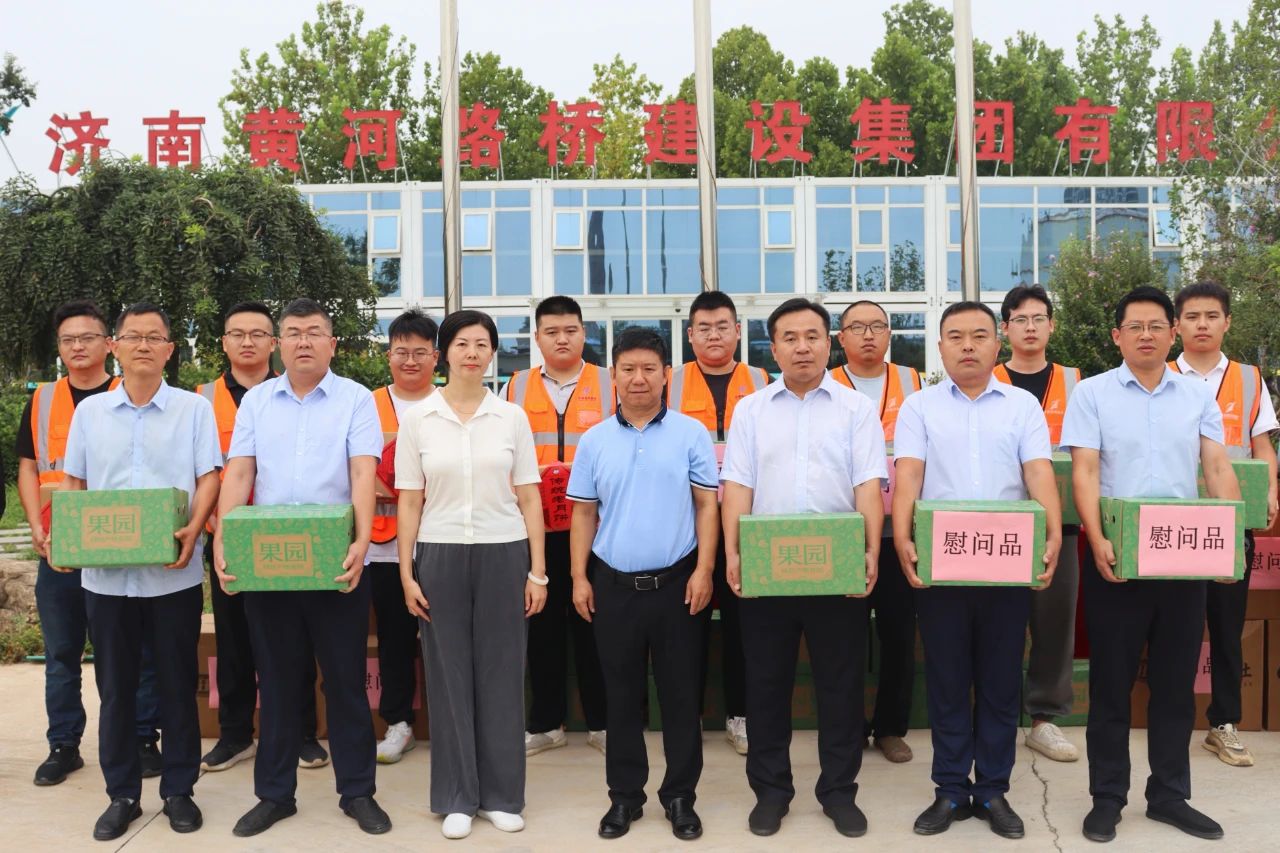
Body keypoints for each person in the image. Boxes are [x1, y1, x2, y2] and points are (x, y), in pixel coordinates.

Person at [1061, 285, 1241, 843]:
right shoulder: (1092, 393)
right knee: (1112, 685)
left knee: (1175, 686)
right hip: (1116, 560)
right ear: (1117, 336)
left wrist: (1230, 540)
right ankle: (1107, 797)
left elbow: (1216, 468)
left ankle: (1169, 795)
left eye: (1157, 326)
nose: (1146, 335)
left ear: (1173, 333)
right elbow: (1085, 471)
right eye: (1135, 326)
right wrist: (1095, 537)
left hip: (1182, 559)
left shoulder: (1196, 395)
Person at [212, 298, 390, 838]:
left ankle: (357, 792)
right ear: (279, 344)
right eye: (293, 333)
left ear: (332, 344)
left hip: (336, 563)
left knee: (345, 682)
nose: (303, 341)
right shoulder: (257, 402)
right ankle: (274, 795)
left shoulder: (356, 399)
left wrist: (362, 541)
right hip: (270, 564)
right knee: (278, 682)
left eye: (314, 332)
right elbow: (240, 473)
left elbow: (362, 474)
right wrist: (224, 538)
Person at [893, 300, 1062, 840]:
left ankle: (991, 789)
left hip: (1005, 566)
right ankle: (949, 788)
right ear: (940, 346)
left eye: (979, 335)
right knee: (947, 680)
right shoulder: (919, 407)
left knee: (998, 681)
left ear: (997, 343)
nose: (968, 346)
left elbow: (1038, 473)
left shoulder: (1021, 406)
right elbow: (908, 475)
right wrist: (903, 536)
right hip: (942, 566)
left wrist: (1053, 531)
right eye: (956, 336)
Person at [721, 298, 887, 839]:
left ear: (828, 342)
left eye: (812, 336)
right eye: (789, 338)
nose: (802, 347)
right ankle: (771, 792)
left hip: (835, 566)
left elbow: (868, 484)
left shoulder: (855, 409)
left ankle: (839, 792)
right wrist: (734, 553)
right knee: (766, 685)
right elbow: (737, 485)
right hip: (769, 567)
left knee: (841, 686)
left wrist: (870, 551)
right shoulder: (751, 410)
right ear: (773, 349)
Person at [57, 302, 222, 840]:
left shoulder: (192, 410)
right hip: (105, 579)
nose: (144, 345)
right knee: (116, 690)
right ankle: (122, 794)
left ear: (170, 350)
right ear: (115, 347)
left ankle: (179, 790)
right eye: (133, 336)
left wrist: (193, 529)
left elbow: (209, 476)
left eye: (155, 337)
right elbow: (75, 483)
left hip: (172, 574)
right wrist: (70, 537)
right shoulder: (91, 414)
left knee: (176, 686)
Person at [396, 309, 548, 840]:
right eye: (462, 343)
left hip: (503, 552)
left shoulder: (511, 417)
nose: (472, 353)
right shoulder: (419, 419)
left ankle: (502, 795)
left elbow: (529, 497)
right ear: (444, 353)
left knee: (502, 674)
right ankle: (458, 796)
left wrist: (538, 572)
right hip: (439, 553)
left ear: (492, 353)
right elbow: (409, 501)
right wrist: (407, 573)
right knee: (448, 676)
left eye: (482, 344)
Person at [569, 328, 720, 841]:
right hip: (612, 585)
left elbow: (707, 506)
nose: (639, 378)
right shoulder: (594, 440)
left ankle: (680, 797)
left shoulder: (691, 433)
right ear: (613, 375)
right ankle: (625, 798)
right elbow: (583, 514)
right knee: (621, 697)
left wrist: (704, 570)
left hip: (678, 584)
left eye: (649, 369)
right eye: (628, 369)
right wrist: (578, 577)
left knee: (681, 696)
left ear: (666, 375)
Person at [15, 300, 164, 787]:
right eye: (67, 340)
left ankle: (141, 738)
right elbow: (29, 468)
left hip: (123, 546)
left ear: (109, 343)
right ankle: (64, 744)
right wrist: (38, 527)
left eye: (87, 337)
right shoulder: (42, 400)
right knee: (62, 653)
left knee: (134, 650)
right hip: (59, 548)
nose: (77, 347)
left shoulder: (134, 394)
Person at [197, 302, 324, 774]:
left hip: (286, 536)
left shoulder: (298, 392)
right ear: (224, 342)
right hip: (229, 536)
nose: (247, 342)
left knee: (295, 640)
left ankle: (302, 733)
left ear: (274, 342)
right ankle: (235, 735)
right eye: (237, 333)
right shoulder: (201, 400)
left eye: (258, 334)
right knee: (233, 640)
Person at [1172, 281, 1279, 769]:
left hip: (1231, 521)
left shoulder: (1250, 380)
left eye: (1211, 316)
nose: (1202, 325)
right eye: (1192, 316)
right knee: (1174, 625)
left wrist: (1270, 490)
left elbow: (1261, 446)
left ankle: (1224, 723)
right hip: (1172, 524)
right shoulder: (1159, 375)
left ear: (1227, 322)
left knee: (1226, 625)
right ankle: (1171, 718)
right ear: (1177, 324)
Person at [503, 295, 609, 757]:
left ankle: (603, 722)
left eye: (570, 330)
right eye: (551, 332)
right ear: (537, 337)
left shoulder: (609, 383)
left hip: (598, 526)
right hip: (536, 529)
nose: (561, 339)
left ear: (583, 333)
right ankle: (547, 723)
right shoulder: (515, 386)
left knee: (595, 625)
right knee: (541, 626)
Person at [668, 290, 768, 756]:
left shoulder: (762, 380)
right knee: (686, 622)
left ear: (738, 332)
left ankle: (740, 715)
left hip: (748, 521)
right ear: (690, 335)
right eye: (704, 328)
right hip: (685, 521)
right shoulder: (670, 383)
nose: (714, 335)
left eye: (722, 326)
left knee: (744, 625)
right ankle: (686, 717)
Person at [994, 284, 1085, 764]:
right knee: (997, 624)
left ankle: (1045, 719)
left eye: (1038, 318)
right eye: (1020, 319)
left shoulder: (1077, 383)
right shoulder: (985, 378)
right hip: (996, 524)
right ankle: (995, 715)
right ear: (1004, 328)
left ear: (1052, 325)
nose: (1030, 328)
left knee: (1054, 622)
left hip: (1060, 521)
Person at [832, 300, 921, 765]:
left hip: (898, 533)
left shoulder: (914, 382)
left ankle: (890, 727)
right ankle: (847, 728)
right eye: (857, 327)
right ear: (840, 337)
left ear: (889, 334)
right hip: (843, 530)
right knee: (843, 637)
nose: (868, 335)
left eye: (877, 326)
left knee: (898, 634)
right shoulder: (825, 383)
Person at [367, 308, 438, 764]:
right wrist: (400, 490)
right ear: (388, 355)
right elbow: (354, 469)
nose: (410, 361)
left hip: (441, 540)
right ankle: (398, 723)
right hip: (385, 547)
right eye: (401, 352)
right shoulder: (366, 403)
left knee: (446, 638)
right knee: (394, 638)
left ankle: (451, 721)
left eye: (419, 352)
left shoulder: (451, 402)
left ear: (436, 357)